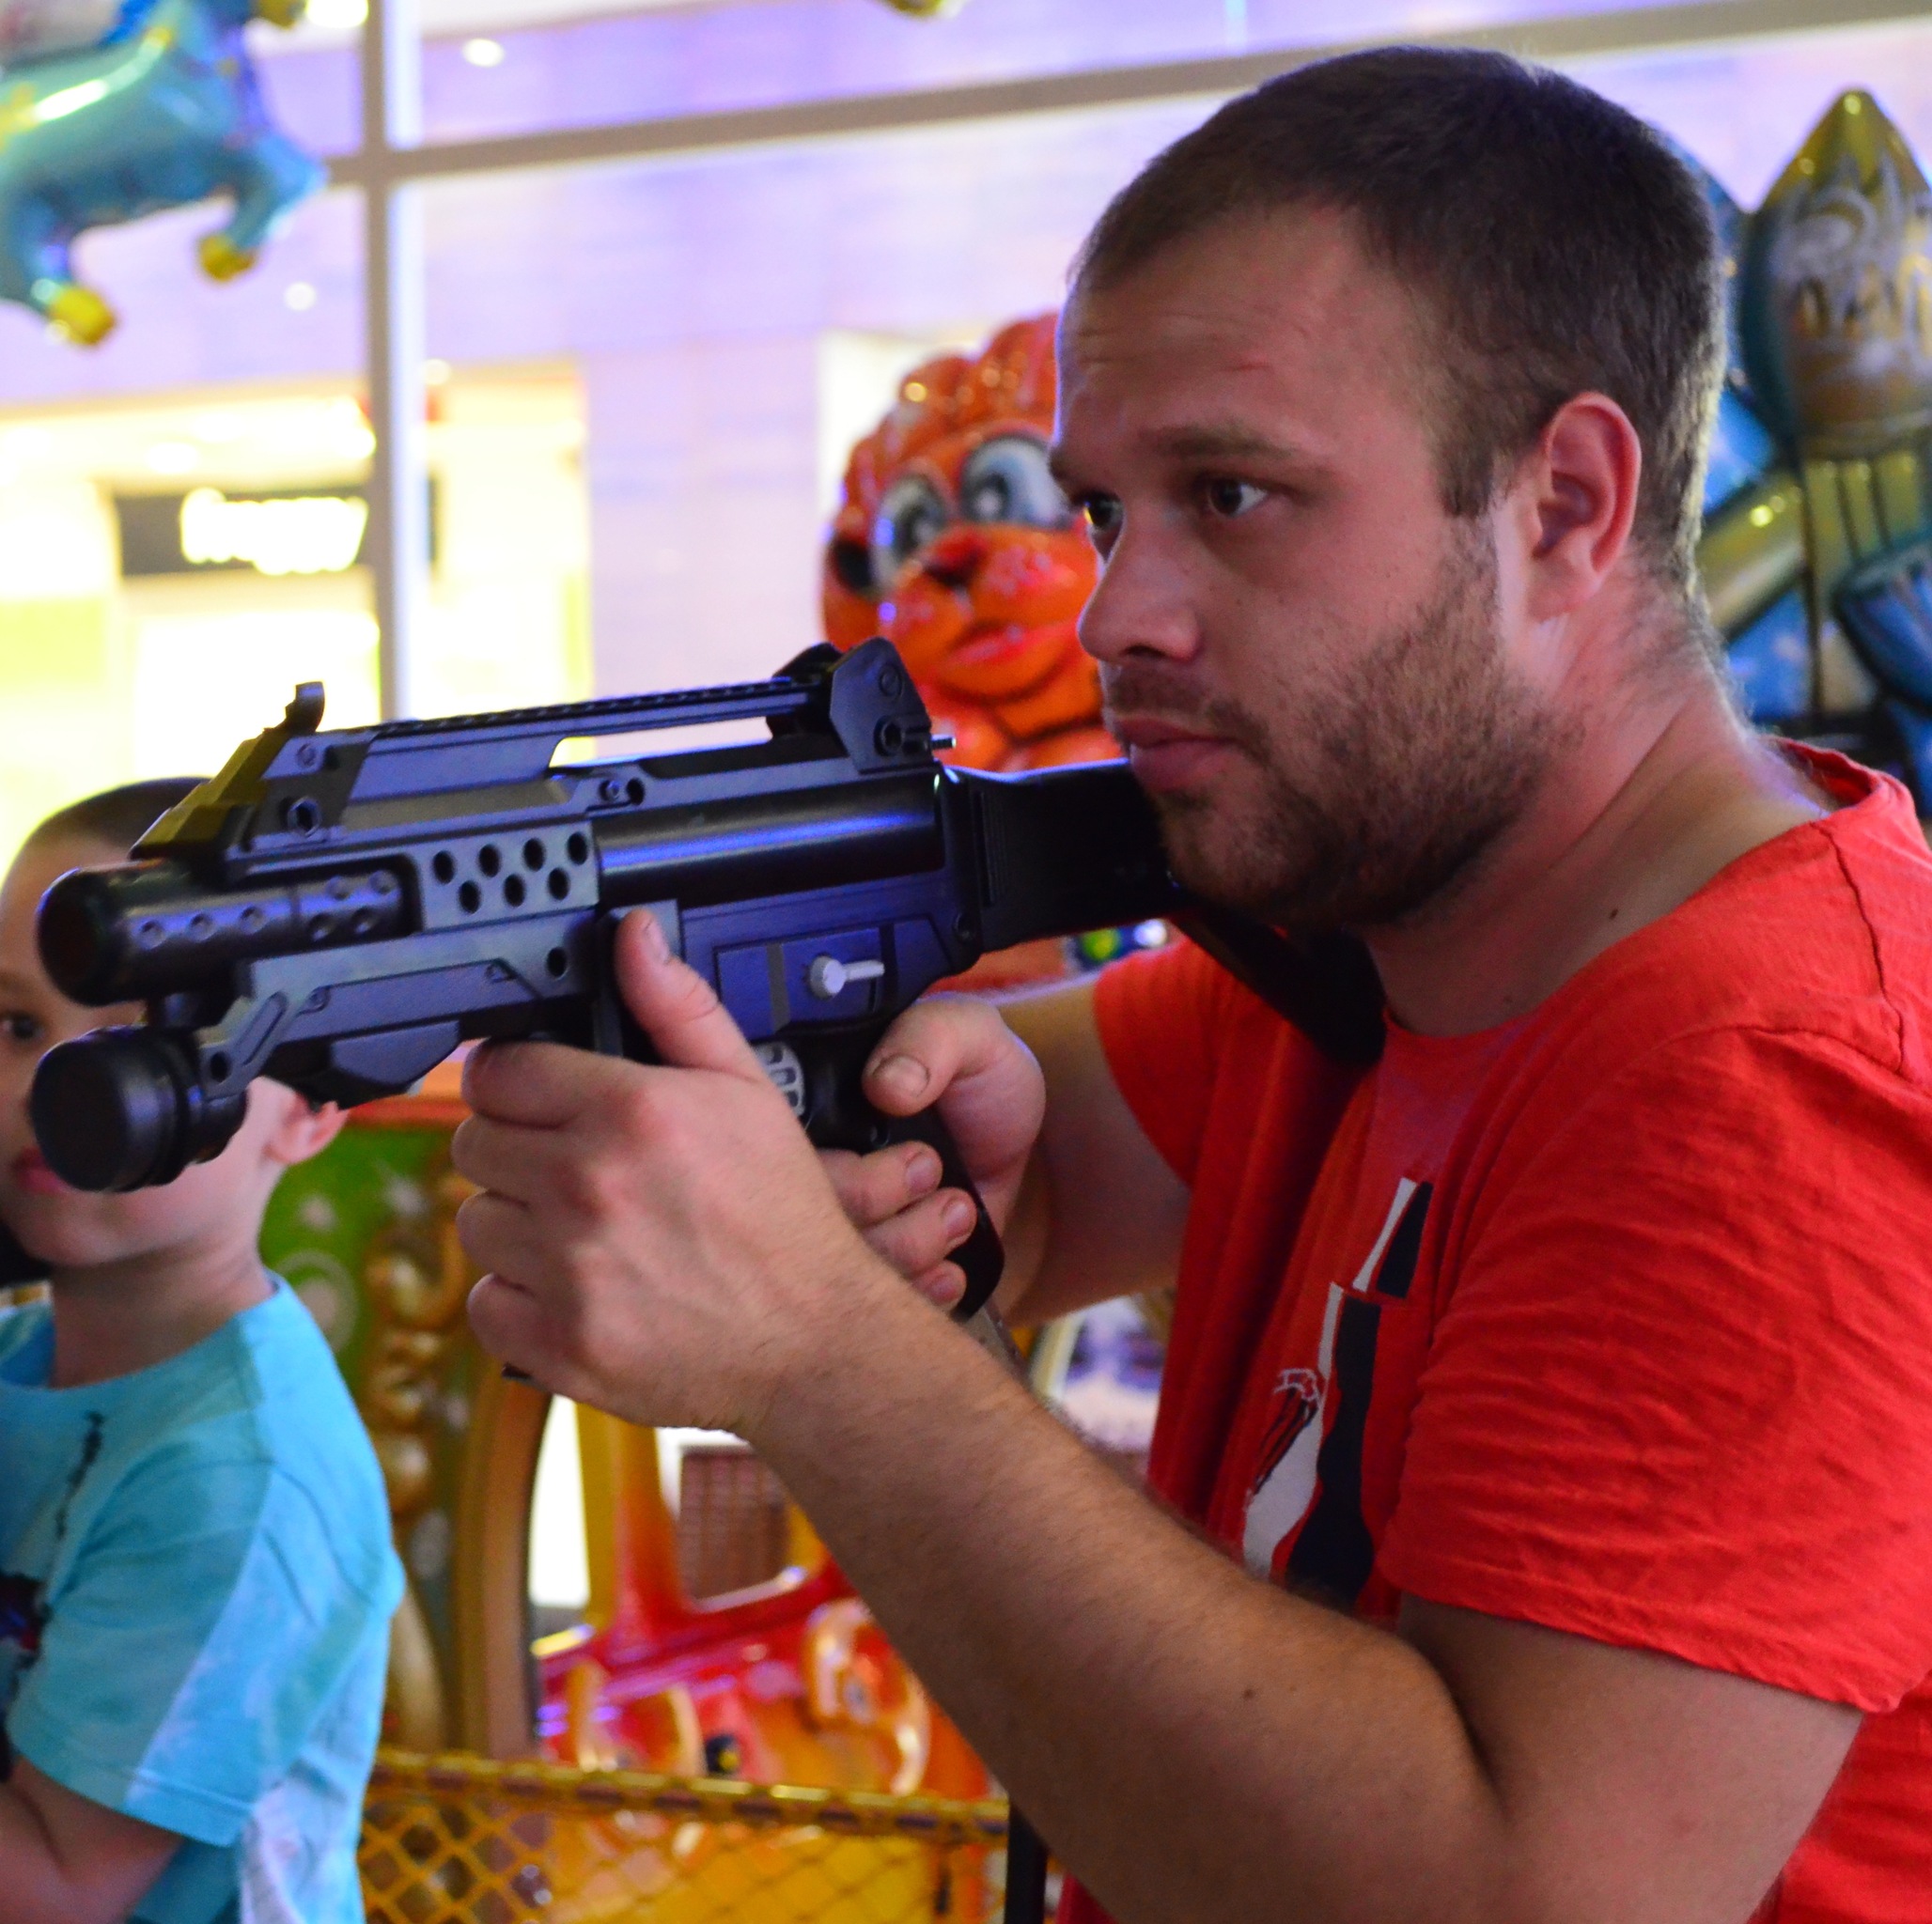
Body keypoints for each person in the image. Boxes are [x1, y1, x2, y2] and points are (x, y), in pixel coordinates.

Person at [447, 49, 1932, 1924]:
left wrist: (824, 1355)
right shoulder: (1389, 935)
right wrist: (876, 1152)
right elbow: (1017, 1153)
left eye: (1231, 494)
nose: (1113, 614)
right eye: (1104, 510)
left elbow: (1513, 1896)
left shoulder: (1765, 1068)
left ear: (1562, 503)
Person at [0, 780, 402, 1924]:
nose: (49, 1085)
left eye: (138, 1040)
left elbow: (57, 1882)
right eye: (18, 1026)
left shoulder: (236, 1473)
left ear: (308, 1106)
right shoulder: (22, 1356)